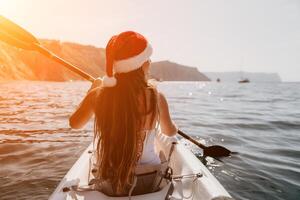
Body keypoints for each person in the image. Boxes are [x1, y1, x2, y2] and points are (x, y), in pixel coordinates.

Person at [69, 31, 177, 196]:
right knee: (162, 154)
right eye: (148, 59)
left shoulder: (98, 95)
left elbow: (74, 124)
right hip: (149, 180)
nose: (150, 62)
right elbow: (170, 132)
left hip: (110, 182)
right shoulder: (156, 97)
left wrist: (92, 90)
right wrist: (173, 126)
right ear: (142, 65)